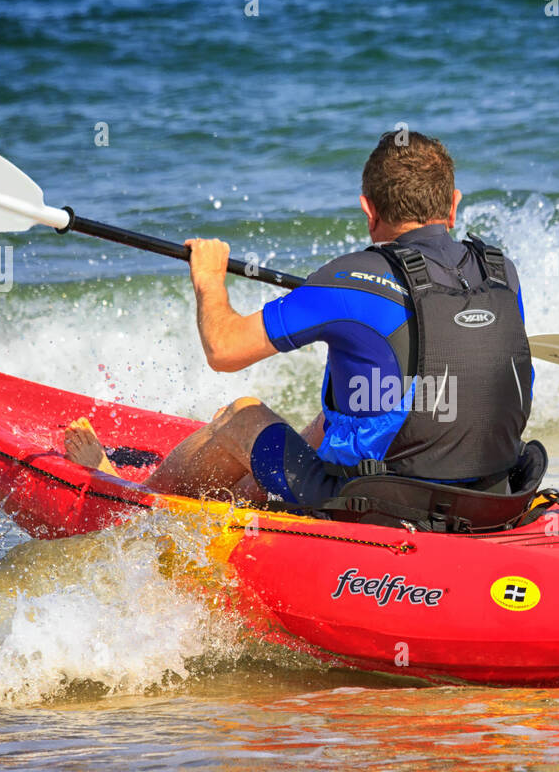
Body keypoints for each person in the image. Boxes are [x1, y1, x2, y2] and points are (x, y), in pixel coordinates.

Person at [63, 130, 533, 506]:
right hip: (491, 496)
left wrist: (209, 278)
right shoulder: (500, 271)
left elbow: (224, 350)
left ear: (369, 212)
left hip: (385, 505)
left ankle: (135, 501)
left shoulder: (350, 277)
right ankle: (241, 505)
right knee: (334, 418)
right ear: (453, 204)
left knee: (240, 416)